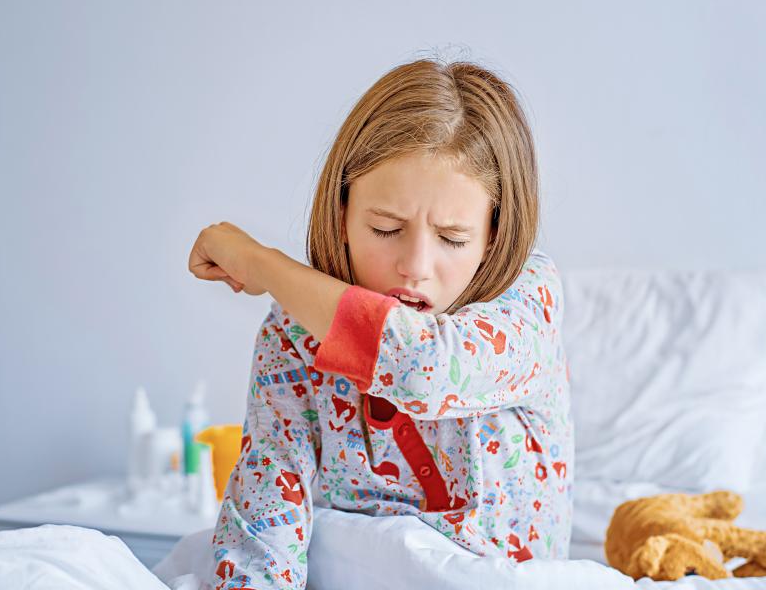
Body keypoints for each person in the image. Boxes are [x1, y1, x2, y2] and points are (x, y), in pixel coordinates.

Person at [187, 56, 573, 590]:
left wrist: (263, 264)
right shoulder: (293, 327)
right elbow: (263, 522)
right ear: (342, 214)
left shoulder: (528, 300)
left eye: (453, 239)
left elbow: (423, 367)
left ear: (493, 239)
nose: (415, 266)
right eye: (387, 228)